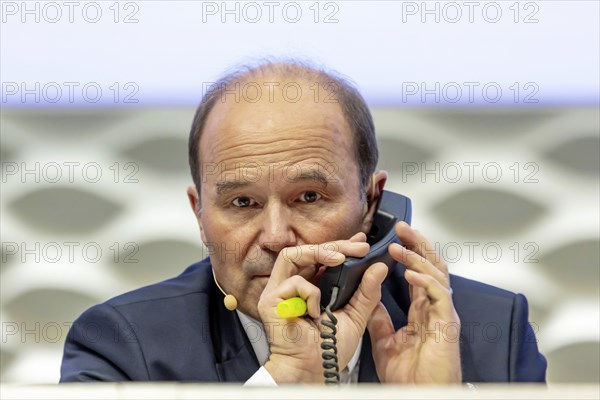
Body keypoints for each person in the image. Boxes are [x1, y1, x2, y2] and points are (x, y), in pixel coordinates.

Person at [60, 59, 547, 384]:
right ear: (200, 217)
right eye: (242, 203)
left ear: (372, 202)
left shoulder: (490, 330)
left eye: (309, 196)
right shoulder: (124, 345)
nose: (275, 238)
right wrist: (284, 380)